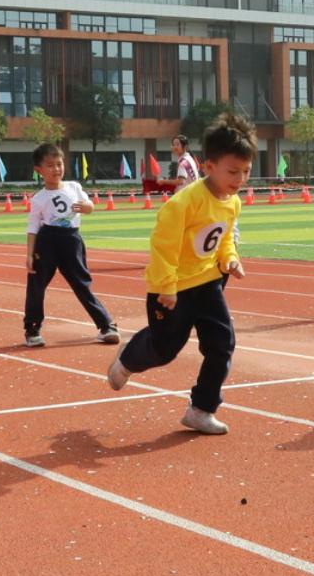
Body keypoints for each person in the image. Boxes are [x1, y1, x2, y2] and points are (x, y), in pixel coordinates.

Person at [107, 115, 254, 435]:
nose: (239, 178)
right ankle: (129, 359)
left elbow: (225, 237)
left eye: (245, 171)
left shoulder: (232, 202)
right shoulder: (183, 203)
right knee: (165, 350)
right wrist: (167, 287)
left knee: (222, 343)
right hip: (172, 288)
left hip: (208, 283)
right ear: (208, 166)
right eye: (233, 171)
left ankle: (202, 408)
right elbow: (163, 247)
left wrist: (230, 259)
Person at [22, 143, 118, 348]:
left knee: (82, 284)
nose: (56, 169)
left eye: (59, 164)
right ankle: (32, 329)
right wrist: (29, 255)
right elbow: (32, 227)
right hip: (46, 241)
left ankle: (106, 326)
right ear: (38, 170)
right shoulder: (38, 199)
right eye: (50, 165)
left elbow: (90, 206)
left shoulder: (74, 186)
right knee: (36, 286)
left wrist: (87, 207)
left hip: (71, 240)